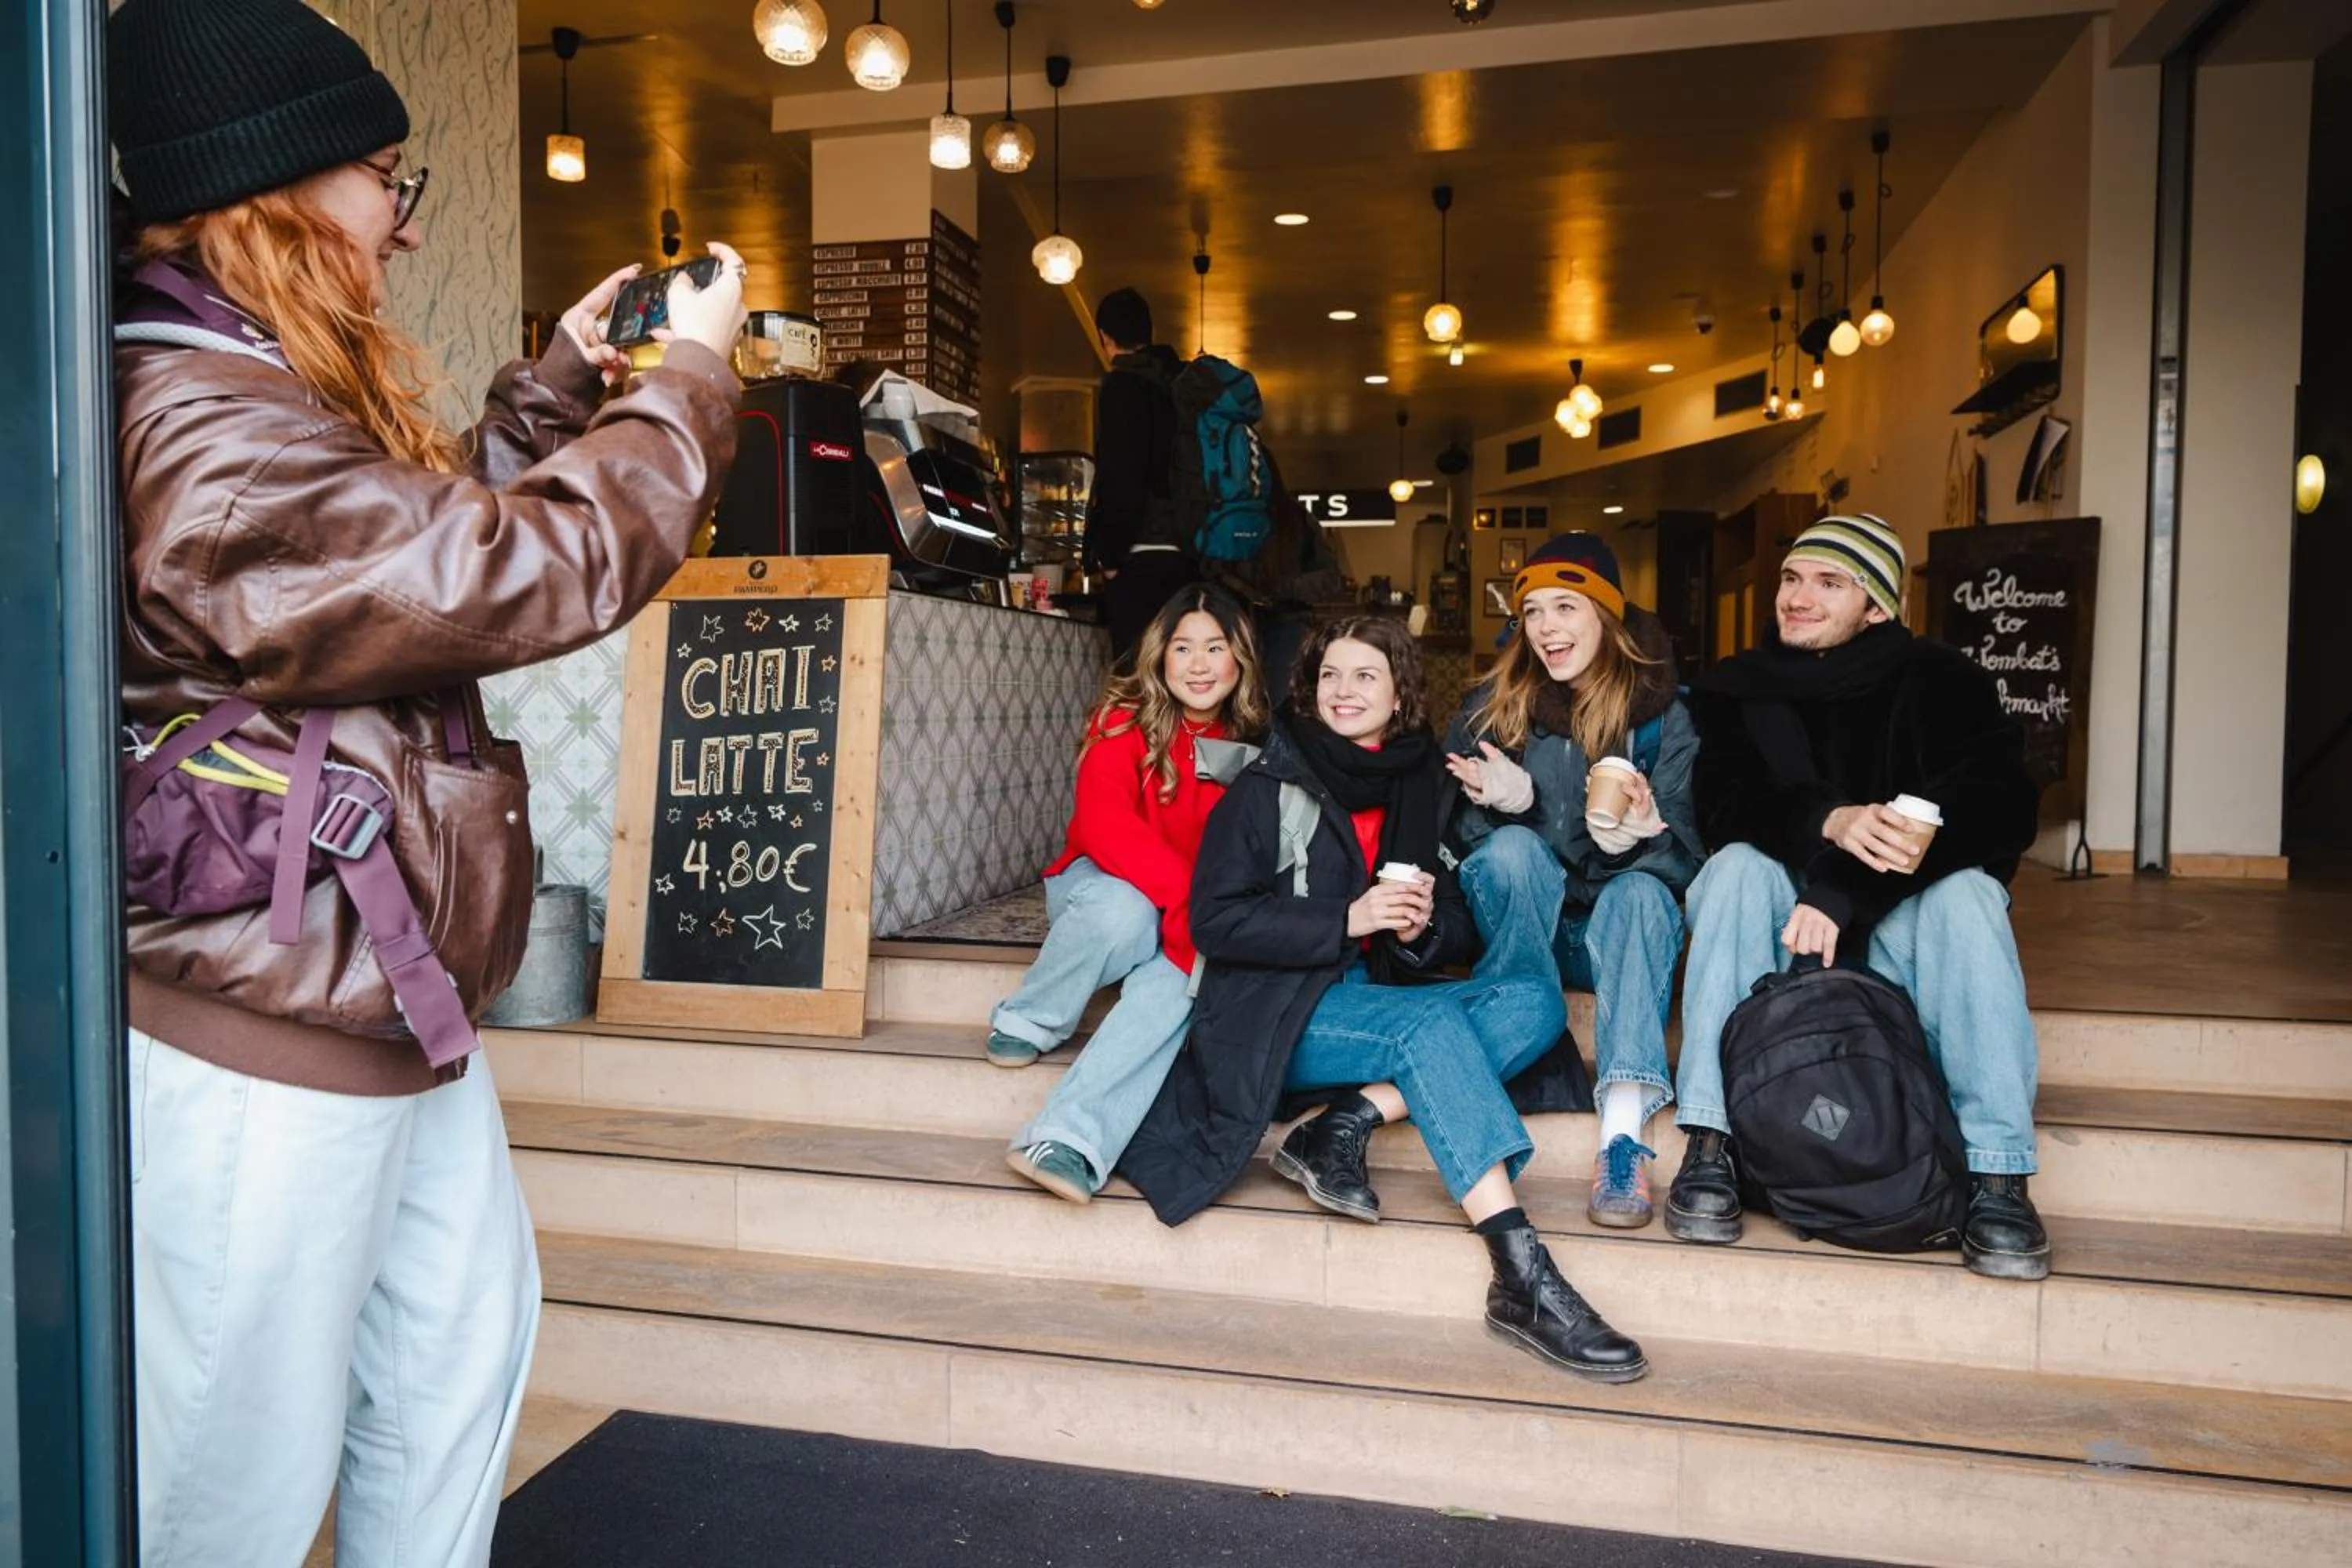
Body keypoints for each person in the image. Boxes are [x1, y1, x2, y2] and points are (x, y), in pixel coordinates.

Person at [107, 1, 746, 1562]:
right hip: (265, 1025)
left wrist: (555, 394)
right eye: (381, 181)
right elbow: (500, 569)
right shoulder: (197, 420)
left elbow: (387, 565)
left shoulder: (241, 381)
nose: (399, 224)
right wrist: (689, 389)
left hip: (374, 986)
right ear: (269, 193)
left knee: (452, 1382)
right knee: (228, 1489)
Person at [1121, 617, 1647, 1382]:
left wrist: (1428, 922)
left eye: (1365, 675)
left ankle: (1350, 1118)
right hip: (1281, 1013)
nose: (1344, 690)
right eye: (1331, 674)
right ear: (1311, 686)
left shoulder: (1421, 782)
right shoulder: (1269, 781)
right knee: (1431, 1024)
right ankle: (1520, 1271)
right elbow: (1215, 919)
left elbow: (1456, 921)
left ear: (1400, 692)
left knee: (1535, 1000)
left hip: (1379, 1002)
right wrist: (1347, 917)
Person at [1668, 514, 2049, 1279]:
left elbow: (1998, 802)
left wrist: (1847, 886)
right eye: (1791, 577)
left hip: (1901, 925)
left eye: (1829, 583)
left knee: (1971, 895)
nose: (1798, 597)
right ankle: (1710, 1141)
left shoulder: (1944, 681)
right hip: (1784, 930)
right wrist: (1828, 822)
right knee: (1737, 866)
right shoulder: (1736, 689)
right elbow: (1725, 805)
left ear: (1876, 605)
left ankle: (1998, 1172)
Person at [1444, 535, 1703, 1229]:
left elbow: (1693, 861)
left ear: (1607, 616)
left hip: (1619, 937)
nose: (1547, 627)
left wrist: (1649, 836)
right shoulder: (1493, 708)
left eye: (1566, 606)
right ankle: (1523, 1045)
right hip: (1527, 932)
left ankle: (1622, 1133)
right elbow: (1450, 845)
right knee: (1511, 855)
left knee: (1642, 892)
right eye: (1532, 612)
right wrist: (1512, 805)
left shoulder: (1663, 719)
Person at [995, 585, 1271, 1202]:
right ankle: (1032, 1015)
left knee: (1184, 979)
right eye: (1183, 648)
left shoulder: (1253, 746)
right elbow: (1104, 826)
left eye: (1215, 648)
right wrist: (1187, 904)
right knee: (1128, 914)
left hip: (1187, 909)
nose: (1199, 665)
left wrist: (1207, 919)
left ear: (1241, 659)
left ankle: (1068, 1139)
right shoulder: (1123, 719)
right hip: (1099, 889)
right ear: (1160, 656)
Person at [1083, 287, 1199, 666]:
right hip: (1189, 555)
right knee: (1180, 675)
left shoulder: (1124, 386)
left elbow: (1122, 476)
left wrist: (1110, 554)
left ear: (1105, 337)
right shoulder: (1179, 384)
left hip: (1142, 556)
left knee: (1138, 682)